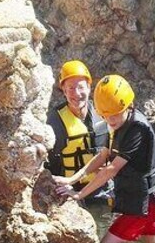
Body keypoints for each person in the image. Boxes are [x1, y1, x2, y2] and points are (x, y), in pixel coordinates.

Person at [54, 74, 155, 243]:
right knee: (150, 239)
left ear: (128, 106)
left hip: (145, 201)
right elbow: (104, 155)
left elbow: (110, 170)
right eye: (105, 115)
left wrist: (79, 194)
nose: (110, 119)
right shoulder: (117, 123)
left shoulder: (136, 130)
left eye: (114, 114)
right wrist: (72, 179)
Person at [46, 60, 113, 203]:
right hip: (71, 190)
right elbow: (48, 162)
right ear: (63, 90)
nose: (77, 94)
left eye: (81, 87)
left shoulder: (103, 112)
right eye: (70, 88)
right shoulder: (55, 121)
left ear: (89, 87)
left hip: (103, 189)